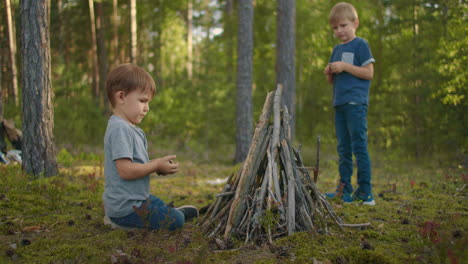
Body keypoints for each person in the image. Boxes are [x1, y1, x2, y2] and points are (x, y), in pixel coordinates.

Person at [102, 63, 198, 230]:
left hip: (138, 199)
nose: (147, 108)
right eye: (142, 101)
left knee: (155, 202)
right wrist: (155, 165)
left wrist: (157, 167)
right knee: (177, 221)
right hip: (126, 209)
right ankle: (118, 222)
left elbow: (136, 165)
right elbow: (125, 170)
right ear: (121, 97)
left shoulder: (129, 128)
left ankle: (166, 212)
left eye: (148, 102)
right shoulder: (120, 129)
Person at [323, 2, 375, 205]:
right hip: (340, 104)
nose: (339, 31)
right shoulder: (336, 49)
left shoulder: (360, 45)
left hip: (356, 103)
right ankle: (344, 190)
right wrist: (328, 72)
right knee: (343, 149)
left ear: (355, 23)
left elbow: (369, 73)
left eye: (343, 25)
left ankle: (366, 193)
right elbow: (332, 80)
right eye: (335, 28)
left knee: (358, 147)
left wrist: (345, 66)